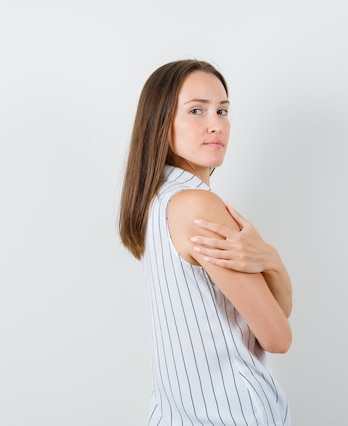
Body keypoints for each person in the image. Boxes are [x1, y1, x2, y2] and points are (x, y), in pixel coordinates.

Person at [119, 59, 292, 426]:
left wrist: (270, 260)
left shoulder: (158, 201)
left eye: (223, 110)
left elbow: (275, 315)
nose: (216, 124)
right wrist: (272, 260)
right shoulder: (197, 205)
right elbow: (278, 336)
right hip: (233, 413)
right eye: (196, 110)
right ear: (160, 123)